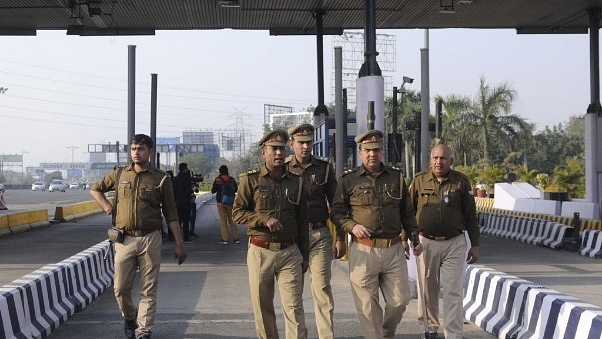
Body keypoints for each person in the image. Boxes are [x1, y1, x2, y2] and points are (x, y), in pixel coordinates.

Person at [90, 134, 187, 339]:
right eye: (133, 149)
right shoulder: (119, 175)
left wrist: (179, 243)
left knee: (148, 288)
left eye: (140, 149)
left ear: (150, 151)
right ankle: (129, 316)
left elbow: (171, 213)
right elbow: (95, 189)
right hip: (124, 240)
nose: (136, 153)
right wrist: (106, 206)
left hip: (150, 238)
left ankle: (144, 330)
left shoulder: (161, 179)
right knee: (120, 287)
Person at [330, 129, 423, 339]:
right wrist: (352, 226)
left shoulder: (397, 178)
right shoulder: (348, 180)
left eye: (377, 150)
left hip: (393, 250)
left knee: (400, 301)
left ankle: (385, 334)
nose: (373, 154)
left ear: (382, 152)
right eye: (368, 150)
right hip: (363, 250)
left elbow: (407, 213)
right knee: (367, 307)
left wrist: (414, 237)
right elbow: (337, 212)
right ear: (360, 152)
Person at [232, 129, 309, 339]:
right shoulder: (250, 180)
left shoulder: (297, 181)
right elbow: (237, 213)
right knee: (263, 309)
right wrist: (264, 219)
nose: (278, 153)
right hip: (260, 251)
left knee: (294, 308)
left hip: (290, 252)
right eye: (273, 149)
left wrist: (305, 255)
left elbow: (302, 221)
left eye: (281, 149)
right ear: (263, 152)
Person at [409, 141, 479, 339]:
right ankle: (430, 329)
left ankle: (454, 334)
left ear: (451, 161)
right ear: (430, 160)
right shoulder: (419, 181)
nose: (439, 162)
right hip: (426, 243)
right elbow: (408, 212)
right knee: (428, 290)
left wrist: (475, 244)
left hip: (454, 244)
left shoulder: (461, 182)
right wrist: (405, 238)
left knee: (453, 290)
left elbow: (471, 216)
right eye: (435, 158)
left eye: (443, 158)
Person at [285, 123, 345, 339]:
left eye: (309, 142)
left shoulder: (324, 168)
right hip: (292, 240)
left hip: (319, 234)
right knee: (293, 294)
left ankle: (326, 336)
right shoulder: (283, 170)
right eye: (300, 143)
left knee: (321, 289)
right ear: (292, 145)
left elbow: (337, 205)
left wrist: (340, 237)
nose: (305, 146)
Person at [211, 165, 240, 244]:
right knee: (232, 220)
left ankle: (225, 239)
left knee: (223, 221)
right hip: (230, 203)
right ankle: (236, 238)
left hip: (220, 202)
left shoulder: (218, 180)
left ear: (220, 171)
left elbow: (213, 191)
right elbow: (236, 190)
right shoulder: (232, 179)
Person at [173, 162, 193, 243]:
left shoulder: (176, 179)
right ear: (185, 169)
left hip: (178, 202)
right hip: (186, 201)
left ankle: (177, 237)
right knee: (186, 220)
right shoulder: (187, 178)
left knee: (178, 220)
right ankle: (186, 237)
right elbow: (191, 189)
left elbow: (174, 190)